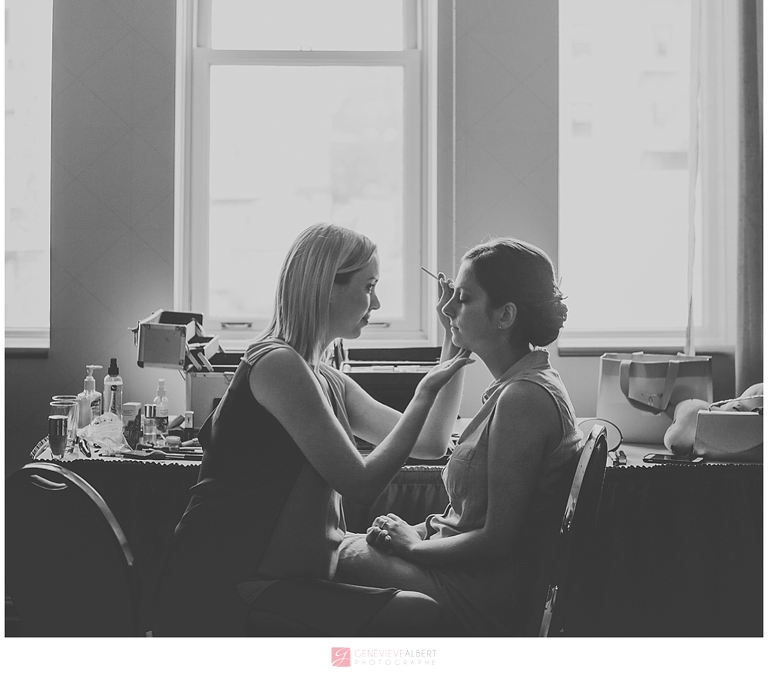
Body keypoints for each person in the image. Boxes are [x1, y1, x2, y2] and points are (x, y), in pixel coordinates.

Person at [153, 222, 473, 637]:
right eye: (368, 286)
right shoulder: (277, 364)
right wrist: (423, 392)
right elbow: (360, 483)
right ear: (326, 287)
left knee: (424, 609)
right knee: (422, 614)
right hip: (228, 585)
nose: (376, 302)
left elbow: (430, 443)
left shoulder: (325, 376)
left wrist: (454, 337)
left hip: (286, 581)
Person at [335, 237, 583, 636]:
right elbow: (465, 517)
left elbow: (496, 541)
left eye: (463, 298)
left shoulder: (523, 399)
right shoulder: (518, 385)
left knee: (328, 554)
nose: (447, 307)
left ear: (505, 316)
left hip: (479, 592)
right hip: (467, 573)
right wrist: (412, 532)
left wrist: (413, 546)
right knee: (339, 547)